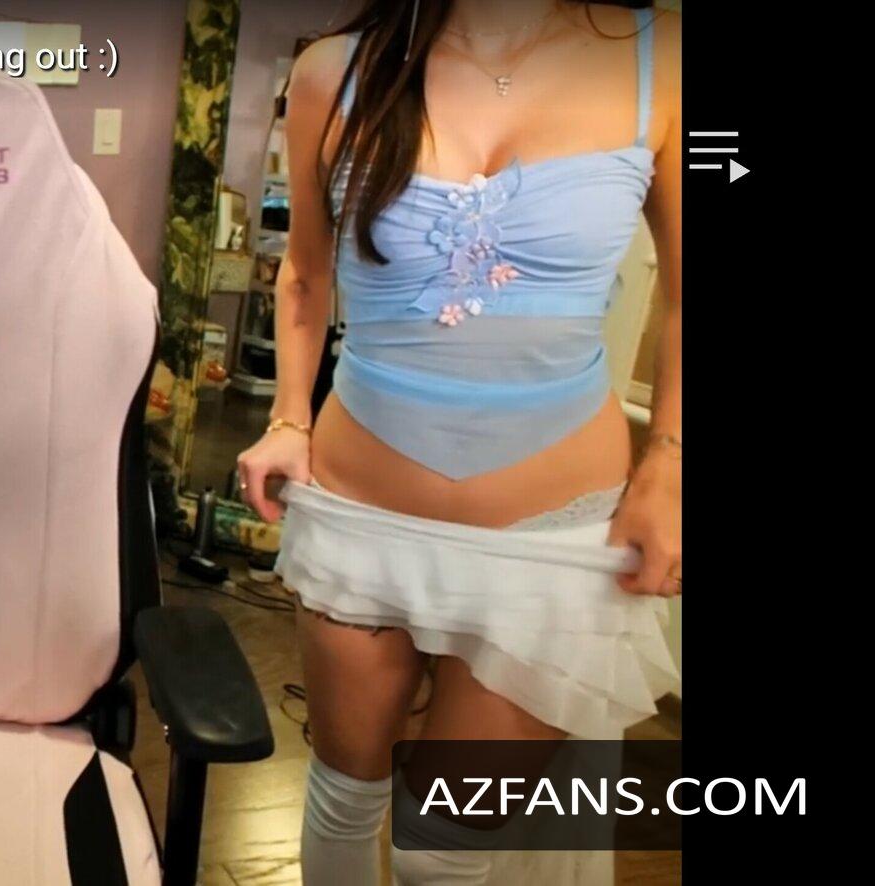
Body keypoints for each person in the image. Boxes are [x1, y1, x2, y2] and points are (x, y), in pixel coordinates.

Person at [233, 2, 681, 883]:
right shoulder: (335, 71)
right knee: (342, 800)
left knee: (446, 851)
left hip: (554, 536)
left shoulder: (662, 56)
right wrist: (288, 418)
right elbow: (305, 273)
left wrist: (668, 461)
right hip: (359, 516)